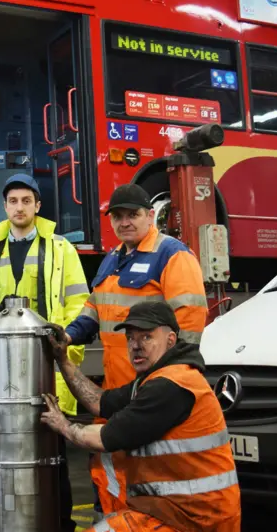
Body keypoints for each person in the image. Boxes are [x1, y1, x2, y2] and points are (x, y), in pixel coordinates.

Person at [41, 301, 240, 532]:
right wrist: (62, 358)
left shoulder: (171, 386)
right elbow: (100, 403)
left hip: (196, 520)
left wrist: (63, 426)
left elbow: (106, 438)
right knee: (104, 457)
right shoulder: (152, 381)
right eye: (131, 337)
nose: (136, 345)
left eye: (146, 337)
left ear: (171, 339)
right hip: (175, 510)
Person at [0, 172, 89, 532]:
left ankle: (61, 531)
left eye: (26, 201)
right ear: (5, 207)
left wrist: (65, 357)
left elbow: (78, 304)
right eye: (13, 201)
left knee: (52, 452)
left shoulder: (61, 249)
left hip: (42, 367)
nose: (19, 207)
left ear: (37, 206)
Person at [64, 183, 208, 515]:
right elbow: (93, 310)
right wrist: (68, 336)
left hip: (151, 394)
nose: (125, 222)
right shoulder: (111, 261)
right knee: (110, 468)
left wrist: (164, 387)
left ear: (150, 215)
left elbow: (188, 324)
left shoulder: (172, 255)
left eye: (133, 214)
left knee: (150, 472)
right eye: (118, 216)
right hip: (116, 390)